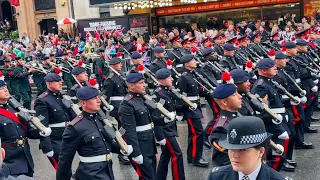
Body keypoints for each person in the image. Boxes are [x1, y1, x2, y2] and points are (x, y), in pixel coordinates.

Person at [56, 86, 132, 180]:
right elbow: (65, 160)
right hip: (90, 174)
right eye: (93, 98)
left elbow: (105, 143)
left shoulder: (100, 120)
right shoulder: (75, 127)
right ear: (83, 103)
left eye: (98, 97)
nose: (98, 100)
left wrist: (121, 148)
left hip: (106, 170)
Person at [207, 116, 292, 180]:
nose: (235, 155)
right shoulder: (216, 177)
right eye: (231, 149)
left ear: (261, 152)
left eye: (243, 149)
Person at [251, 58, 293, 171]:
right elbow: (261, 108)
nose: (275, 68)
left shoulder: (269, 82)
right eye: (272, 67)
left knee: (287, 138)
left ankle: (282, 162)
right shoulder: (261, 85)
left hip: (279, 117)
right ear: (264, 71)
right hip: (272, 120)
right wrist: (272, 119)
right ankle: (275, 168)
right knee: (277, 146)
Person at [119, 73, 158, 179]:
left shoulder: (141, 98)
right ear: (131, 86)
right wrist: (136, 153)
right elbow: (129, 131)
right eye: (141, 83)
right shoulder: (127, 104)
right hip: (140, 147)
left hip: (149, 144)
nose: (144, 85)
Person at [34, 73, 74, 172]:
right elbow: (42, 126)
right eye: (57, 81)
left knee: (68, 168)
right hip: (55, 140)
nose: (60, 83)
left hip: (68, 137)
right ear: (48, 84)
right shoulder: (42, 100)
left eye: (60, 81)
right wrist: (47, 147)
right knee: (62, 171)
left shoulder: (62, 97)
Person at [177, 54, 209, 167]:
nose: (195, 62)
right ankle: (196, 157)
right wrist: (180, 112)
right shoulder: (184, 77)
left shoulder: (192, 74)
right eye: (193, 60)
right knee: (198, 133)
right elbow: (180, 96)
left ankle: (191, 156)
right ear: (187, 64)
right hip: (189, 108)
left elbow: (197, 91)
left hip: (195, 106)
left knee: (194, 133)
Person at [154, 69, 185, 180]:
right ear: (162, 80)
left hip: (170, 128)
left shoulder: (167, 91)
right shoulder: (159, 94)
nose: (172, 79)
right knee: (177, 155)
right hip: (165, 130)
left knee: (165, 155)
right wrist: (160, 136)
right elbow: (156, 117)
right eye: (169, 77)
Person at [103, 57, 130, 165]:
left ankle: (124, 149)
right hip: (117, 107)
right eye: (119, 64)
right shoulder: (110, 79)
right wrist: (106, 107)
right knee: (123, 128)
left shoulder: (119, 76)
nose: (121, 65)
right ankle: (122, 151)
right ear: (113, 65)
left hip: (123, 105)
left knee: (124, 128)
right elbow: (105, 95)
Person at [209, 83, 242, 166]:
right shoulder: (221, 128)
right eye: (234, 95)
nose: (240, 96)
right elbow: (228, 157)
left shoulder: (238, 116)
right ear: (224, 102)